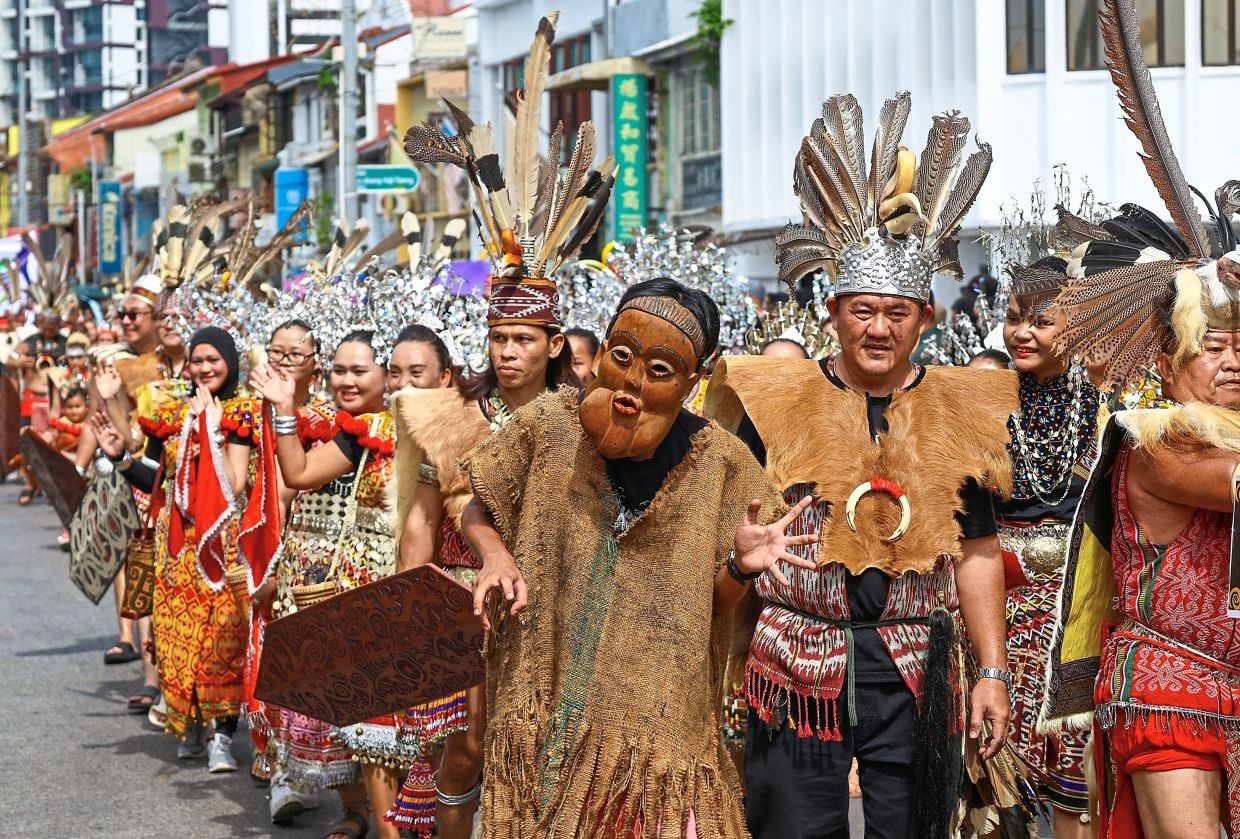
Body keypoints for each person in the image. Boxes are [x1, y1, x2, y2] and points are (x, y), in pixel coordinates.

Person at [705, 91, 1013, 839]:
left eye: (896, 312)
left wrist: (994, 671)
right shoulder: (773, 401)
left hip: (915, 659)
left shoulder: (958, 409)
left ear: (925, 318)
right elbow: (726, 535)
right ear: (833, 311)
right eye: (862, 309)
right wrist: (738, 579)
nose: (878, 327)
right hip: (794, 659)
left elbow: (976, 550)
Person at [464, 277, 811, 837]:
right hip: (547, 705)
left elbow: (718, 605)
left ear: (693, 380)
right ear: (600, 352)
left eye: (659, 371)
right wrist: (496, 556)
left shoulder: (721, 464)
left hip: (662, 730)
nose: (631, 383)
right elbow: (477, 509)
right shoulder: (549, 426)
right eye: (621, 357)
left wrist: (740, 567)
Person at [1042, 3, 1240, 833]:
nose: (1231, 361)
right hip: (1167, 686)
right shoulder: (1155, 446)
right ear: (1166, 363)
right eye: (1212, 344)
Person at [251, 330, 414, 839]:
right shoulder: (337, 430)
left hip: (390, 581)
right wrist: (283, 411)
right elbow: (293, 478)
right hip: (322, 580)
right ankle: (359, 811)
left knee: (392, 714)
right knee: (341, 707)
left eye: (358, 370)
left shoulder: (412, 429)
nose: (347, 380)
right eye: (339, 370)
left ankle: (406, 815)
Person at [94, 326, 256, 772]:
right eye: (197, 360)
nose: (204, 368)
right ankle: (189, 726)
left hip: (223, 546)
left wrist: (210, 428)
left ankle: (223, 737)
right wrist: (122, 458)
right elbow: (155, 478)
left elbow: (235, 483)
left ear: (230, 361)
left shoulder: (242, 414)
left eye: (213, 359)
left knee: (223, 640)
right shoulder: (173, 414)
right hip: (175, 546)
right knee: (175, 638)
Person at [994, 261, 1101, 837]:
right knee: (990, 771)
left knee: (1076, 776)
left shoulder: (1108, 405)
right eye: (1012, 319)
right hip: (997, 603)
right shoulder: (985, 400)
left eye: (1040, 321)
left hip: (1078, 608)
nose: (1022, 333)